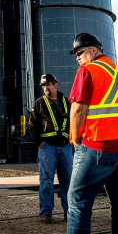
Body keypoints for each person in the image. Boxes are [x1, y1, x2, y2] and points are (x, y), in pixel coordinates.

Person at [46, 33, 118, 234]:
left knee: (77, 205)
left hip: (99, 146)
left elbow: (77, 109)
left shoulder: (88, 71)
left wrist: (76, 142)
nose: (77, 59)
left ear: (93, 50)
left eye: (79, 54)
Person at [29, 73, 72, 224]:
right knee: (46, 180)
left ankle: (69, 211)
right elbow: (32, 124)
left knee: (67, 180)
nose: (46, 87)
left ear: (55, 85)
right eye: (44, 86)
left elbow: (74, 120)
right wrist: (40, 142)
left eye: (48, 84)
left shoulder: (67, 102)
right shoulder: (40, 103)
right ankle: (46, 212)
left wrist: (72, 141)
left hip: (65, 146)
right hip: (47, 147)